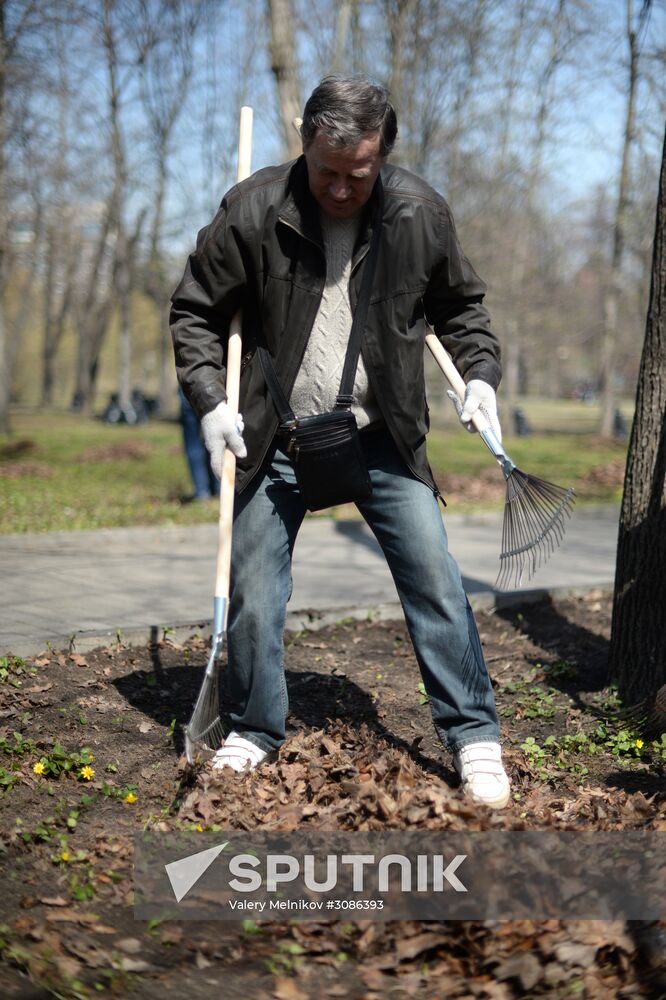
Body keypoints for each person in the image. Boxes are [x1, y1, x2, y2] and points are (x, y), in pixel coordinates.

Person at [170, 76, 511, 808]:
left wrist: (480, 377)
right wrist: (208, 402)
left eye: (358, 174)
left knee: (436, 579)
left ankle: (474, 734)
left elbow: (462, 310)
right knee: (255, 597)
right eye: (326, 170)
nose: (340, 189)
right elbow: (196, 313)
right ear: (305, 141)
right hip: (274, 434)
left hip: (380, 432)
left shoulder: (418, 214)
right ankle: (254, 729)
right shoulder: (254, 209)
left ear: (382, 154)